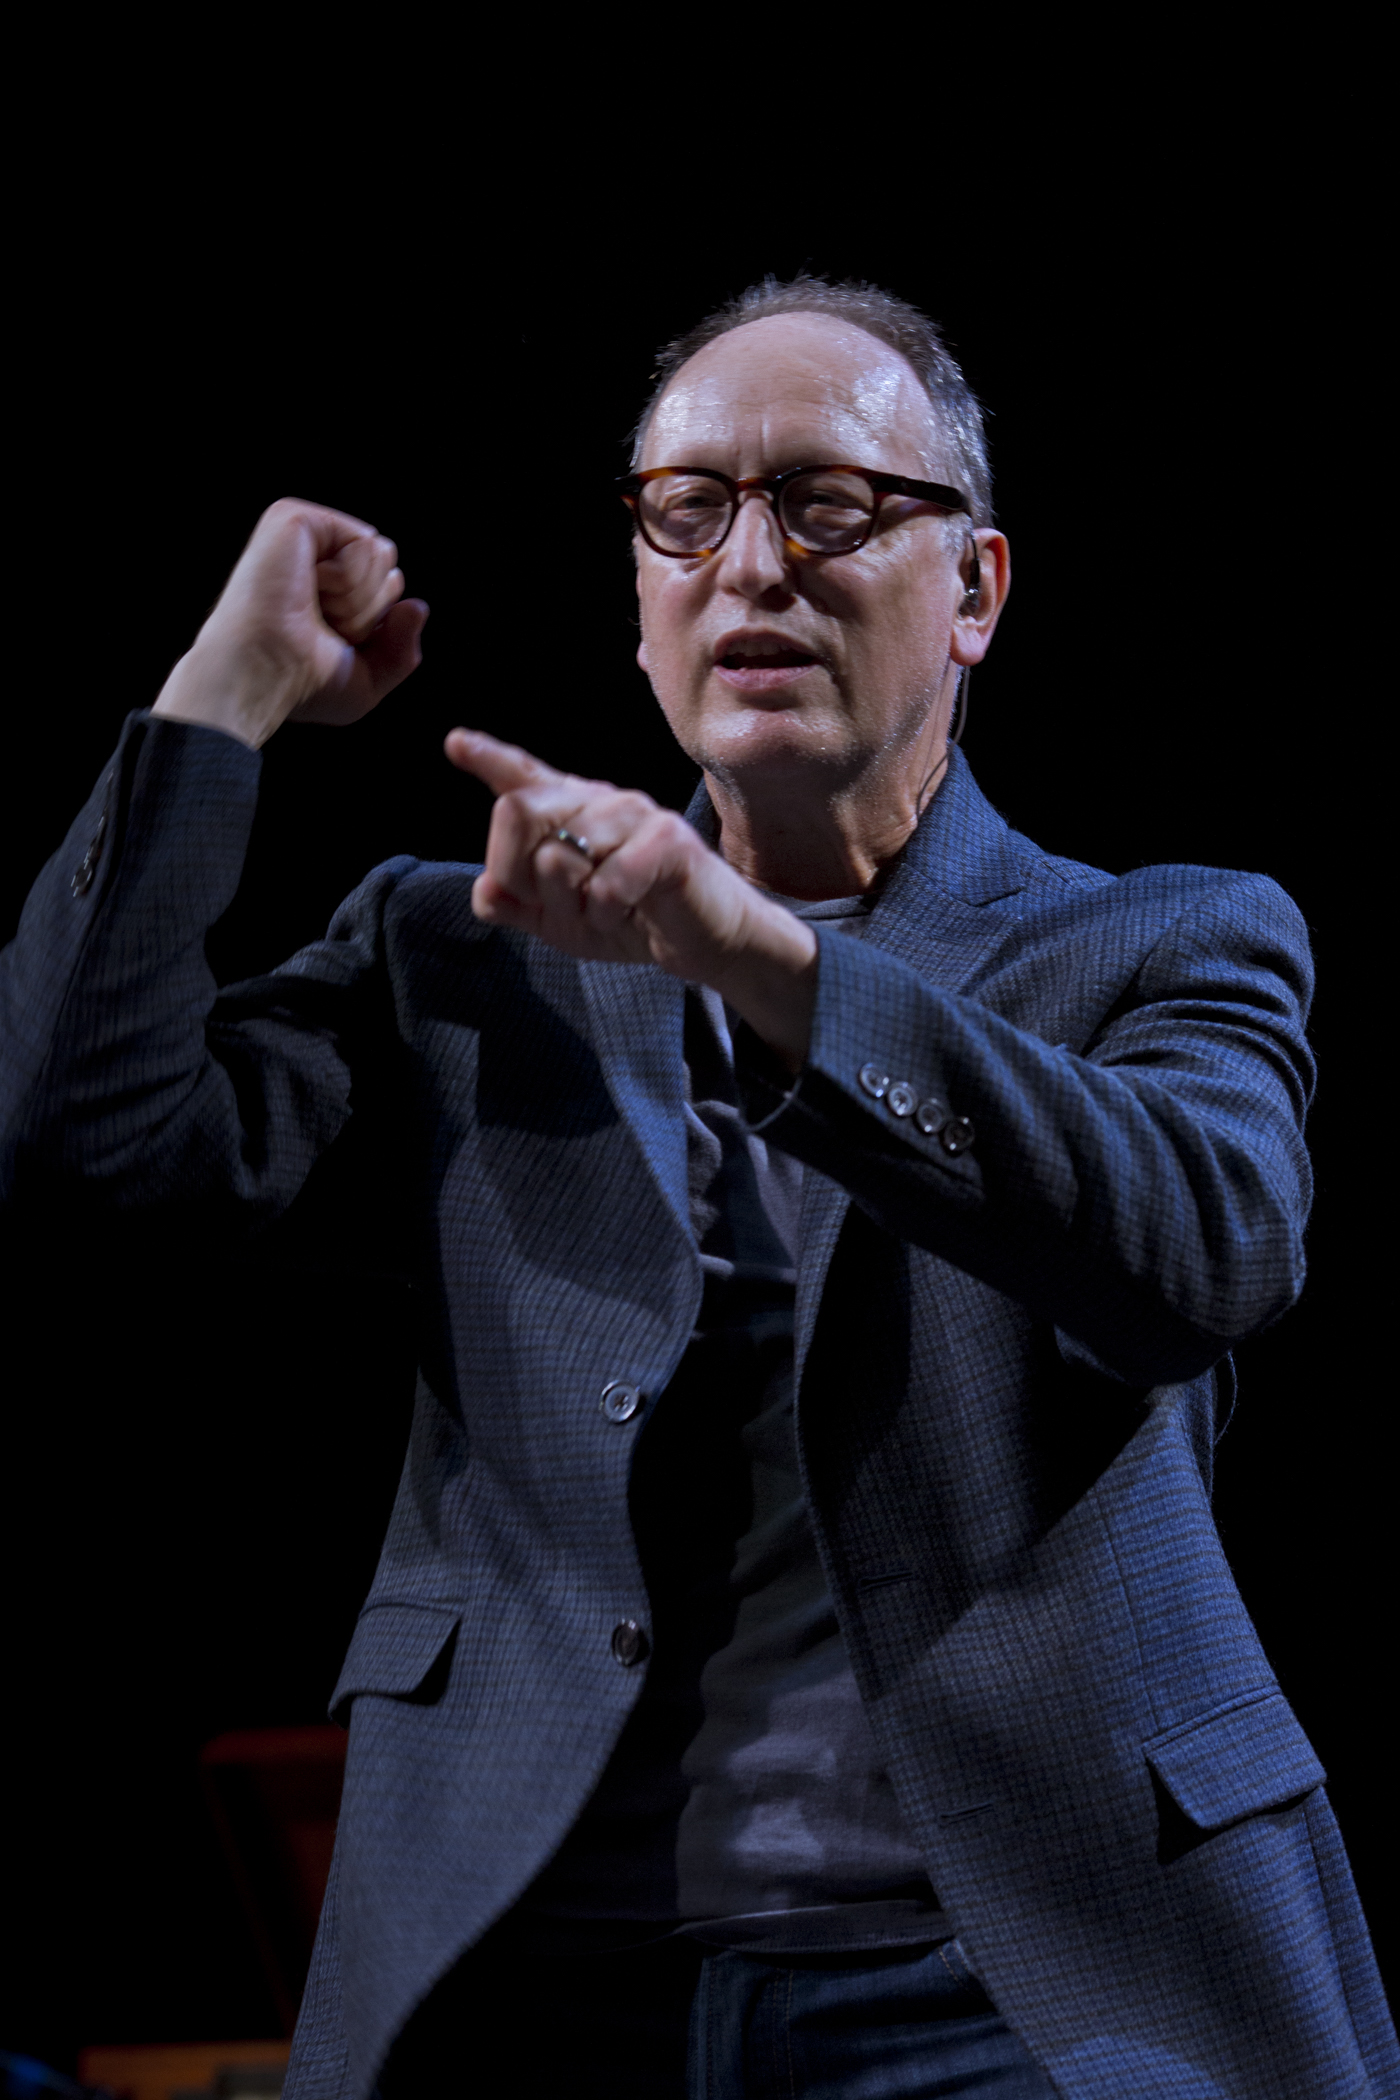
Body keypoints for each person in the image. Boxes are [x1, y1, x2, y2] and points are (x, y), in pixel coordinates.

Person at [1, 277, 1393, 2100]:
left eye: (828, 505)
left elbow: (1194, 1252)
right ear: (643, 586)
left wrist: (753, 957)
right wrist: (223, 699)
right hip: (535, 1965)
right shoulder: (464, 952)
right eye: (690, 511)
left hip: (1013, 1979)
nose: (753, 564)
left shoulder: (1166, 941)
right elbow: (87, 1154)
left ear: (973, 589)